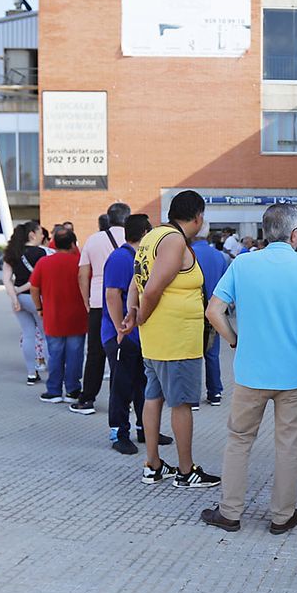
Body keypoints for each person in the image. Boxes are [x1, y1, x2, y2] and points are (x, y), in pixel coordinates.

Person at [200, 203, 297, 534]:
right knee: (288, 443)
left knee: (239, 440)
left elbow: (214, 311)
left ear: (265, 233)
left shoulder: (243, 264)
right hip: (293, 374)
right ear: (295, 234)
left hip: (251, 374)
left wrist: (234, 341)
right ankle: (282, 516)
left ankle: (230, 512)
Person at [127, 190, 218, 489]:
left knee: (153, 397)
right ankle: (185, 470)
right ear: (198, 216)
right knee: (181, 404)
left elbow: (136, 280)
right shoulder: (175, 241)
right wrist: (142, 315)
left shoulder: (152, 236)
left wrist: (133, 312)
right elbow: (151, 288)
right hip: (175, 340)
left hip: (156, 340)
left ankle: (152, 464)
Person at [100, 215, 171, 455]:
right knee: (122, 387)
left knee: (143, 384)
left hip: (138, 336)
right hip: (122, 336)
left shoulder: (139, 258)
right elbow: (112, 295)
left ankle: (145, 428)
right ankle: (119, 432)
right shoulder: (121, 258)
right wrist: (120, 328)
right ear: (145, 233)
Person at [74, 203, 129, 415]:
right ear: (128, 217)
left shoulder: (93, 240)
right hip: (125, 303)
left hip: (98, 301)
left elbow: (82, 275)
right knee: (124, 354)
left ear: (108, 217)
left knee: (95, 353)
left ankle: (87, 399)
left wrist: (86, 301)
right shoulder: (133, 239)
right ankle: (126, 399)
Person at [30, 224, 94, 406]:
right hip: (78, 317)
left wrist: (39, 308)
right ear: (74, 244)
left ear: (54, 244)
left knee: (55, 354)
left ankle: (54, 390)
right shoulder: (80, 264)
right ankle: (73, 390)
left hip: (53, 317)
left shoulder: (44, 263)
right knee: (75, 355)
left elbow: (34, 288)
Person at [1, 221, 49, 384]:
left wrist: (14, 296)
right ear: (32, 234)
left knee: (28, 334)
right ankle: (53, 373)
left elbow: (6, 280)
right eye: (41, 232)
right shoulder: (41, 253)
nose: (43, 236)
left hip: (19, 301)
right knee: (45, 335)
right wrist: (20, 290)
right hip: (37, 299)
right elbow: (37, 279)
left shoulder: (12, 253)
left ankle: (31, 373)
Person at [191, 229, 229, 408]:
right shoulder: (219, 256)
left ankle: (191, 397)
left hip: (191, 313)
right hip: (214, 311)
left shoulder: (187, 254)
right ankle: (215, 392)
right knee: (212, 354)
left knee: (192, 355)